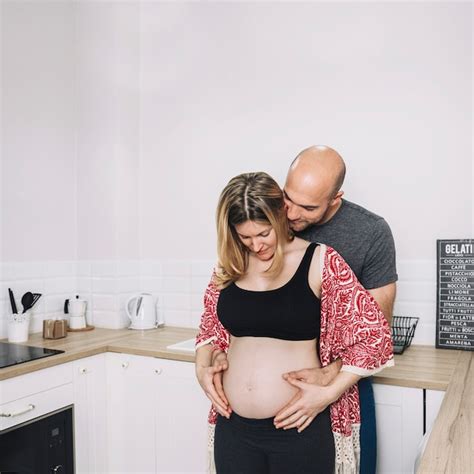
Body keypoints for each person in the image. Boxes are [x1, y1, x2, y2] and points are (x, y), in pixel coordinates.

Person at [195, 172, 394, 473]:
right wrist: (202, 364)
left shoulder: (321, 261)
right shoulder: (230, 265)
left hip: (300, 427)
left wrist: (328, 392)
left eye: (263, 234)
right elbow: (209, 326)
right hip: (233, 428)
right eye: (244, 236)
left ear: (280, 215)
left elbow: (374, 336)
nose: (256, 245)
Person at [277, 145, 398, 474]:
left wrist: (328, 383)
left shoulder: (371, 233)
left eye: (307, 207)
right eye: (288, 198)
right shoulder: (271, 219)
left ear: (335, 198)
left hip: (344, 381)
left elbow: (377, 330)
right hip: (283, 388)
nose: (290, 214)